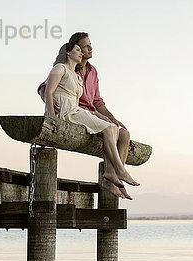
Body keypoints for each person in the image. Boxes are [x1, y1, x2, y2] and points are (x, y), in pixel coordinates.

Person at [42, 41, 138, 199]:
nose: (81, 53)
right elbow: (48, 92)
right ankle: (119, 170)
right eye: (77, 50)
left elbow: (95, 101)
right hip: (67, 113)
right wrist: (52, 118)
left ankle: (111, 174)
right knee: (109, 129)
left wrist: (102, 115)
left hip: (77, 110)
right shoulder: (60, 68)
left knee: (114, 128)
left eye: (81, 50)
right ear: (68, 52)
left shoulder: (77, 76)